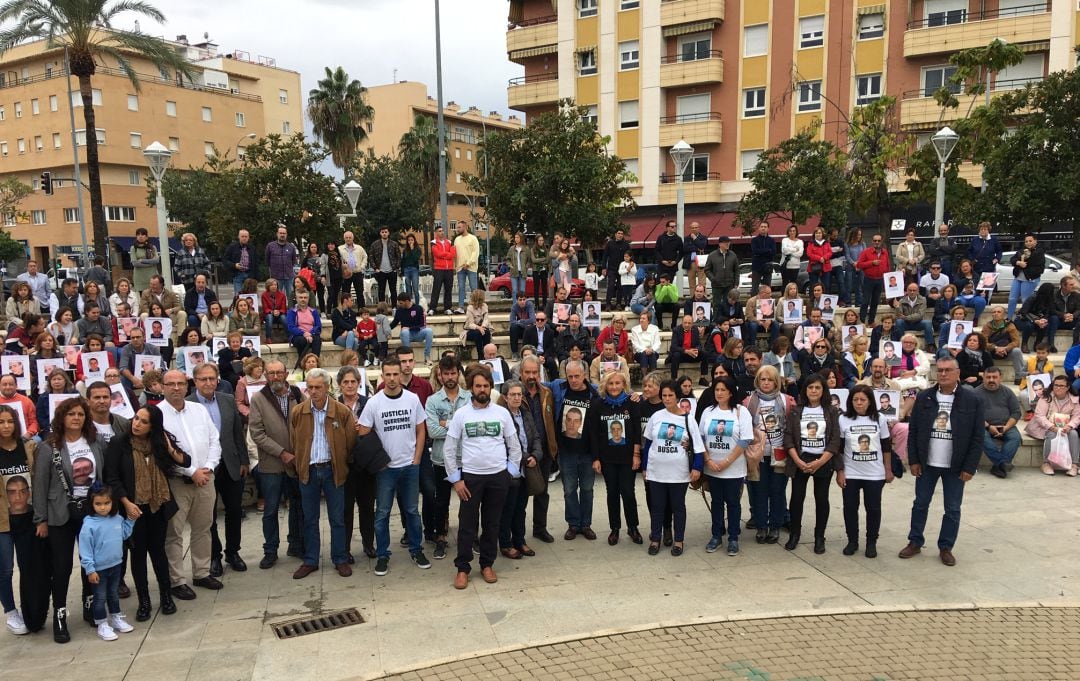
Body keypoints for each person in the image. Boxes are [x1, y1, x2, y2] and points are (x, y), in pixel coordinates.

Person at [900, 356, 984, 567]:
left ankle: (946, 547)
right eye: (940, 370)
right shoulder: (925, 397)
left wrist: (970, 467)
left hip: (955, 465)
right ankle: (915, 541)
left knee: (953, 508)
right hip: (928, 463)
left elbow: (977, 436)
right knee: (920, 504)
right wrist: (914, 460)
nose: (943, 374)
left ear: (958, 373)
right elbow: (914, 431)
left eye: (948, 370)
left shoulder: (971, 399)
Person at [442, 364, 521, 588]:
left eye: (486, 385)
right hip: (470, 479)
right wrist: (456, 480)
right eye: (478, 386)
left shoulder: (501, 412)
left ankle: (487, 564)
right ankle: (463, 568)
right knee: (467, 525)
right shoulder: (461, 415)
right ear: (471, 388)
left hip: (498, 478)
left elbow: (514, 446)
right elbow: (449, 449)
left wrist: (510, 473)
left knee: (491, 523)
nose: (482, 389)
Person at [32, 396, 104, 642]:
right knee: (61, 568)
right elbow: (39, 485)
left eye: (80, 414)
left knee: (90, 563)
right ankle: (60, 615)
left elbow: (102, 475)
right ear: (62, 417)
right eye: (71, 414)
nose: (76, 418)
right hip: (59, 514)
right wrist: (40, 519)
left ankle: (90, 605)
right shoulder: (48, 446)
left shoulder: (95, 442)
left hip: (89, 511)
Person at [359, 359, 428, 576]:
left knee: (412, 511)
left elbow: (420, 430)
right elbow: (363, 432)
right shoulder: (374, 403)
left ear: (401, 375)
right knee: (382, 513)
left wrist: (416, 459)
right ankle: (382, 554)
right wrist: (378, 458)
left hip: (409, 465)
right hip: (385, 469)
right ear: (382, 375)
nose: (391, 379)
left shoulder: (412, 399)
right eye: (387, 374)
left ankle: (417, 549)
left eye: (395, 374)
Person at [287, 368, 358, 579]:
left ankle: (340, 558)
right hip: (308, 471)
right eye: (310, 387)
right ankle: (310, 560)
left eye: (318, 387)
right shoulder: (298, 412)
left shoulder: (342, 411)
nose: (314, 391)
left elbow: (350, 442)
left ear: (328, 388)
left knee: (337, 518)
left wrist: (341, 464)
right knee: (309, 518)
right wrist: (300, 464)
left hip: (333, 470)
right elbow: (294, 442)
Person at [159, 370, 223, 600]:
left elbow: (214, 440)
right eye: (171, 384)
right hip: (176, 482)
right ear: (162, 387)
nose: (176, 388)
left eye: (180, 383)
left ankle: (202, 572)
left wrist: (208, 467)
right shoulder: (157, 414)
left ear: (187, 386)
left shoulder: (198, 409)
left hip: (206, 478)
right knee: (173, 533)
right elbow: (162, 454)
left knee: (203, 528)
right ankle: (176, 580)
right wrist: (190, 471)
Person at [188, 364, 248, 579]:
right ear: (195, 381)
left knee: (234, 510)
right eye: (203, 379)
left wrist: (243, 459)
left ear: (217, 379)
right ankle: (214, 555)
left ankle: (233, 552)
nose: (208, 383)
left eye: (212, 378)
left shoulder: (227, 399)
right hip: (205, 468)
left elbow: (236, 433)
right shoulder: (188, 404)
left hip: (231, 463)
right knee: (208, 516)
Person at [248, 361, 305, 569]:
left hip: (296, 463)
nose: (275, 376)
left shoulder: (298, 395)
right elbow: (257, 434)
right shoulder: (258, 398)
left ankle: (296, 544)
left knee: (298, 506)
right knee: (270, 510)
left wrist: (298, 453)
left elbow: (308, 424)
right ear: (265, 375)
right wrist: (281, 453)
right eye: (270, 373)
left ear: (286, 373)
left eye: (278, 372)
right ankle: (270, 550)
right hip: (271, 464)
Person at [642, 379, 705, 557]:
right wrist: (645, 467)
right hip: (656, 472)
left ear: (678, 396)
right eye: (664, 396)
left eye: (671, 395)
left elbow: (698, 447)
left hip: (679, 473)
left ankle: (678, 540)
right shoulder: (656, 417)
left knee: (678, 507)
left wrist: (697, 467)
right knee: (657, 507)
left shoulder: (688, 419)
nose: (667, 399)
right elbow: (648, 444)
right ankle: (655, 538)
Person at [782, 374, 841, 554]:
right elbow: (788, 438)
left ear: (823, 391)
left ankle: (819, 537)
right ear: (805, 390)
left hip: (823, 460)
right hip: (801, 460)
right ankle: (795, 534)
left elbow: (835, 439)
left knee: (821, 499)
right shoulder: (796, 411)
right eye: (810, 387)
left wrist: (821, 461)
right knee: (797, 498)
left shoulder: (831, 411)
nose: (814, 391)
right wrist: (798, 461)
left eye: (817, 388)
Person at [835, 385, 893, 558]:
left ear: (870, 401)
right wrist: (840, 471)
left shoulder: (880, 419)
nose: (859, 403)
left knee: (873, 509)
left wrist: (888, 470)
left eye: (863, 400)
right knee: (850, 508)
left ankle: (871, 542)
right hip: (851, 472)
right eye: (855, 400)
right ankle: (852, 541)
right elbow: (838, 448)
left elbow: (886, 446)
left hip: (874, 473)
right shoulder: (843, 419)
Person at [698, 376, 753, 556]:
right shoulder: (708, 411)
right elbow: (701, 439)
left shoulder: (740, 412)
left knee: (733, 503)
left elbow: (745, 440)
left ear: (730, 392)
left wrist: (726, 462)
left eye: (723, 390)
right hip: (712, 468)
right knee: (716, 503)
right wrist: (708, 461)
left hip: (734, 469)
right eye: (716, 390)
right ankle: (716, 535)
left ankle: (733, 538)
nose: (719, 393)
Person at [587, 371, 641, 546]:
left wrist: (636, 455)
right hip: (607, 458)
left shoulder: (631, 403)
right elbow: (593, 434)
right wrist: (596, 458)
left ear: (624, 384)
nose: (614, 387)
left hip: (627, 458)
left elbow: (636, 431)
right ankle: (615, 528)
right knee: (612, 493)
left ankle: (633, 527)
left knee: (628, 492)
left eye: (618, 383)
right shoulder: (597, 404)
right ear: (605, 385)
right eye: (611, 384)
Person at [743, 365, 794, 545]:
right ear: (757, 381)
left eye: (770, 379)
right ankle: (761, 526)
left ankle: (775, 526)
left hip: (779, 453)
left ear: (776, 382)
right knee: (759, 491)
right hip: (758, 454)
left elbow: (791, 425)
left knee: (777, 491)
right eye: (763, 379)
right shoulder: (749, 402)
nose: (766, 383)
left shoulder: (786, 400)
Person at [548, 359, 599, 540]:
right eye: (570, 376)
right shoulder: (558, 388)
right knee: (569, 490)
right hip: (566, 451)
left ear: (584, 375)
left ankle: (586, 525)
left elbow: (618, 392)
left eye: (577, 376)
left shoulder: (595, 393)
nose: (574, 380)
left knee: (587, 489)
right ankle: (573, 524)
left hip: (587, 452)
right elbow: (535, 383)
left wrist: (635, 396)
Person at [77, 483, 135, 641]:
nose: (103, 507)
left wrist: (130, 520)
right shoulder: (88, 525)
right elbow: (85, 550)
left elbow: (123, 534)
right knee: (100, 597)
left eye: (106, 503)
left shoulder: (117, 518)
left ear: (112, 502)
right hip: (98, 569)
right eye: (98, 504)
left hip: (116, 565)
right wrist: (90, 569)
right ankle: (102, 623)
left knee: (114, 594)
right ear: (91, 504)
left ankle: (116, 617)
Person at [497, 379, 542, 559]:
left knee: (521, 508)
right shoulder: (501, 416)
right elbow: (507, 444)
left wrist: (536, 455)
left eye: (519, 394)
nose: (516, 398)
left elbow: (536, 436)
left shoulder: (525, 413)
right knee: (508, 508)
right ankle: (506, 544)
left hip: (527, 470)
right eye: (512, 395)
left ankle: (520, 541)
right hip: (511, 469)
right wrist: (525, 458)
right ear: (505, 397)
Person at [1028, 375, 1080, 477]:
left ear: (1068, 387)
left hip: (1065, 427)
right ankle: (1046, 463)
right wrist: (1052, 427)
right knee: (1051, 434)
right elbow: (1039, 416)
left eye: (1061, 386)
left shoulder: (1074, 399)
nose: (1058, 388)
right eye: (1056, 385)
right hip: (1045, 426)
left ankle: (1074, 464)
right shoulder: (1046, 397)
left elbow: (1077, 416)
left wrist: (1069, 426)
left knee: (1073, 434)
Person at [975, 366, 1021, 479]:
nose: (991, 380)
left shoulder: (1008, 392)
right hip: (984, 426)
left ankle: (998, 465)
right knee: (981, 436)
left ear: (1000, 378)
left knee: (1015, 437)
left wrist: (1006, 427)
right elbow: (973, 414)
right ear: (983, 378)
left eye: (994, 377)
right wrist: (989, 426)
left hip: (1006, 425)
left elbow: (1016, 412)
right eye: (988, 377)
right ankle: (1002, 463)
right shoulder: (975, 393)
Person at [856, 234, 890, 325]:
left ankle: (871, 321)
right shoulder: (866, 252)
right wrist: (872, 263)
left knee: (875, 302)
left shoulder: (885, 252)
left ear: (881, 242)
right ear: (872, 241)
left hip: (880, 280)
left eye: (879, 241)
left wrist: (887, 275)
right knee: (865, 301)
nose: (877, 242)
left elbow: (887, 265)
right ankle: (862, 321)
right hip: (869, 279)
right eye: (875, 241)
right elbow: (859, 265)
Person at [390, 291, 433, 364]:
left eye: (401, 303)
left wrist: (410, 328)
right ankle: (407, 357)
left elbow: (422, 324)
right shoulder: (399, 310)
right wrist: (385, 329)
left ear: (406, 301)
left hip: (418, 333)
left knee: (429, 331)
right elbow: (394, 323)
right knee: (405, 332)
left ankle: (427, 356)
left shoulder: (418, 308)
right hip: (406, 335)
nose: (399, 305)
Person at [891, 283, 934, 350]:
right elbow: (899, 315)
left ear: (917, 291)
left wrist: (906, 317)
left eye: (914, 290)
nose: (912, 292)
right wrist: (897, 307)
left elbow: (920, 315)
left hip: (918, 323)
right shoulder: (902, 300)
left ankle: (930, 345)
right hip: (906, 323)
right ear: (907, 291)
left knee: (928, 323)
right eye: (910, 290)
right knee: (899, 322)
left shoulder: (923, 300)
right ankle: (901, 344)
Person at [286, 291, 322, 368]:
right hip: (297, 335)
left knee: (317, 339)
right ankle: (303, 362)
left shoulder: (313, 311)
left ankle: (315, 362)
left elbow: (318, 326)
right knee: (302, 340)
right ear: (296, 299)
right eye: (301, 297)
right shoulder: (291, 312)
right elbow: (291, 327)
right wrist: (304, 333)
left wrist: (310, 333)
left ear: (308, 299)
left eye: (305, 297)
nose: (303, 299)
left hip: (311, 334)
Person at [967, 222, 1002, 297]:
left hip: (989, 267)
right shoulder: (975, 240)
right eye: (981, 229)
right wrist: (972, 259)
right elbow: (969, 251)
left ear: (988, 230)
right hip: (976, 268)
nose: (983, 231)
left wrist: (997, 259)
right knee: (976, 288)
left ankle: (986, 304)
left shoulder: (994, 240)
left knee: (986, 290)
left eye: (985, 229)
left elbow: (999, 251)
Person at [264, 225, 299, 299]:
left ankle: (290, 310)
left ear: (286, 235)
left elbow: (293, 261)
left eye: (284, 233)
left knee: (291, 297)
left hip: (289, 277)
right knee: (276, 298)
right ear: (277, 234)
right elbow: (267, 261)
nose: (282, 235)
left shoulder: (291, 247)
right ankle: (278, 310)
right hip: (276, 278)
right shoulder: (270, 246)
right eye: (280, 233)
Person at [453, 221, 481, 313]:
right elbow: (455, 253)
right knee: (461, 287)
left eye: (459, 227)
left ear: (465, 227)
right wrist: (455, 265)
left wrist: (468, 263)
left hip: (471, 267)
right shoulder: (456, 239)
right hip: (460, 268)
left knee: (474, 288)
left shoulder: (473, 238)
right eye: (457, 227)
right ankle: (461, 307)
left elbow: (475, 252)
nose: (457, 229)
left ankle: (476, 307)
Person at [368, 226, 401, 304]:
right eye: (382, 232)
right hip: (380, 271)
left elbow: (398, 256)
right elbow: (371, 257)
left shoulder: (394, 244)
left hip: (392, 270)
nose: (384, 233)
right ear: (380, 233)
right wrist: (375, 268)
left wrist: (396, 267)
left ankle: (394, 308)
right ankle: (382, 309)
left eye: (386, 232)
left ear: (388, 233)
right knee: (381, 291)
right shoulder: (375, 244)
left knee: (393, 290)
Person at [222, 229, 259, 296]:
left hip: (250, 275)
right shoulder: (232, 247)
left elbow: (256, 263)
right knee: (239, 295)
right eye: (242, 236)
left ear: (248, 237)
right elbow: (225, 260)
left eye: (246, 236)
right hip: (238, 274)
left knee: (250, 296)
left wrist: (256, 278)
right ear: (238, 237)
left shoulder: (252, 248)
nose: (244, 238)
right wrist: (234, 265)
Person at [429, 226, 455, 315]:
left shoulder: (449, 242)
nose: (442, 232)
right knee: (436, 289)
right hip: (439, 269)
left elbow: (453, 254)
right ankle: (432, 308)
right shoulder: (433, 243)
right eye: (440, 231)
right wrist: (447, 254)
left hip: (449, 269)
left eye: (442, 230)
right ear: (436, 232)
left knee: (448, 289)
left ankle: (447, 308)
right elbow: (437, 253)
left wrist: (444, 255)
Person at [461, 289, 492, 361]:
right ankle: (480, 356)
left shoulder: (485, 306)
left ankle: (487, 354)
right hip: (470, 330)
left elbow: (486, 319)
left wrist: (483, 327)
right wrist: (479, 328)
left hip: (482, 327)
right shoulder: (470, 308)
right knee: (478, 333)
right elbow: (470, 324)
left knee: (486, 332)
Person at [602, 229, 630, 307]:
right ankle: (608, 303)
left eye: (622, 233)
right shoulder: (610, 243)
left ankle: (618, 303)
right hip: (611, 269)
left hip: (622, 269)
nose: (620, 235)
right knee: (611, 286)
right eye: (619, 233)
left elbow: (631, 255)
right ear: (615, 234)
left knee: (620, 286)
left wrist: (630, 264)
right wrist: (604, 267)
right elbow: (605, 256)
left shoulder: (626, 244)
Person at [127, 229, 160, 293]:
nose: (140, 236)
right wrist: (151, 263)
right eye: (138, 234)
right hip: (140, 278)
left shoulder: (152, 247)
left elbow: (156, 260)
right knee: (144, 299)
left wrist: (142, 260)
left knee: (155, 300)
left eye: (143, 234)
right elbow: (135, 264)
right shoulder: (133, 248)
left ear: (147, 237)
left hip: (152, 277)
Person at [630, 311, 661, 375]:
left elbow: (657, 342)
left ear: (648, 321)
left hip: (652, 352)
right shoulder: (634, 329)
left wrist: (652, 349)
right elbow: (635, 344)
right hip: (639, 353)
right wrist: (645, 350)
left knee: (652, 355)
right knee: (644, 355)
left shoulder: (654, 328)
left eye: (644, 319)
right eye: (640, 318)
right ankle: (645, 377)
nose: (641, 320)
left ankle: (652, 377)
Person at [749, 222, 776, 296]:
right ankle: (754, 305)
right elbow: (755, 251)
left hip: (768, 267)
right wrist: (767, 250)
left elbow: (773, 253)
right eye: (761, 226)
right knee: (754, 288)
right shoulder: (754, 240)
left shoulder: (772, 240)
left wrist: (761, 252)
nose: (763, 228)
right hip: (756, 267)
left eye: (765, 226)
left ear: (768, 228)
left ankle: (767, 305)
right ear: (759, 228)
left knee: (767, 288)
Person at [506, 231, 533, 303]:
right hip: (514, 272)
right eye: (515, 237)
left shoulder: (526, 249)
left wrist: (526, 267)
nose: (516, 239)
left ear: (521, 238)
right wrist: (510, 266)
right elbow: (507, 259)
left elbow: (529, 260)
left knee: (522, 290)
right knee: (514, 290)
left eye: (517, 237)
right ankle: (515, 305)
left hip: (523, 272)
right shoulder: (512, 248)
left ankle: (522, 304)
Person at [508, 293, 536, 360]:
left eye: (524, 299)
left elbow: (532, 319)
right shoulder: (514, 307)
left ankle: (527, 352)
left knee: (529, 328)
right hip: (521, 328)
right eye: (520, 300)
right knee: (513, 328)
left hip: (529, 329)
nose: (522, 302)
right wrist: (522, 323)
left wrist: (520, 321)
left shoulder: (529, 305)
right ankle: (514, 353)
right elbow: (512, 321)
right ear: (517, 300)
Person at [805, 227, 833, 292]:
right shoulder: (811, 243)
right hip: (813, 267)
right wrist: (819, 258)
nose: (818, 234)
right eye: (816, 233)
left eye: (820, 233)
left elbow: (830, 252)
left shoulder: (827, 243)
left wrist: (824, 258)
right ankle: (813, 301)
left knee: (826, 286)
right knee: (813, 286)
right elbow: (809, 254)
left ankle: (825, 301)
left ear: (822, 234)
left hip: (825, 267)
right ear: (814, 234)